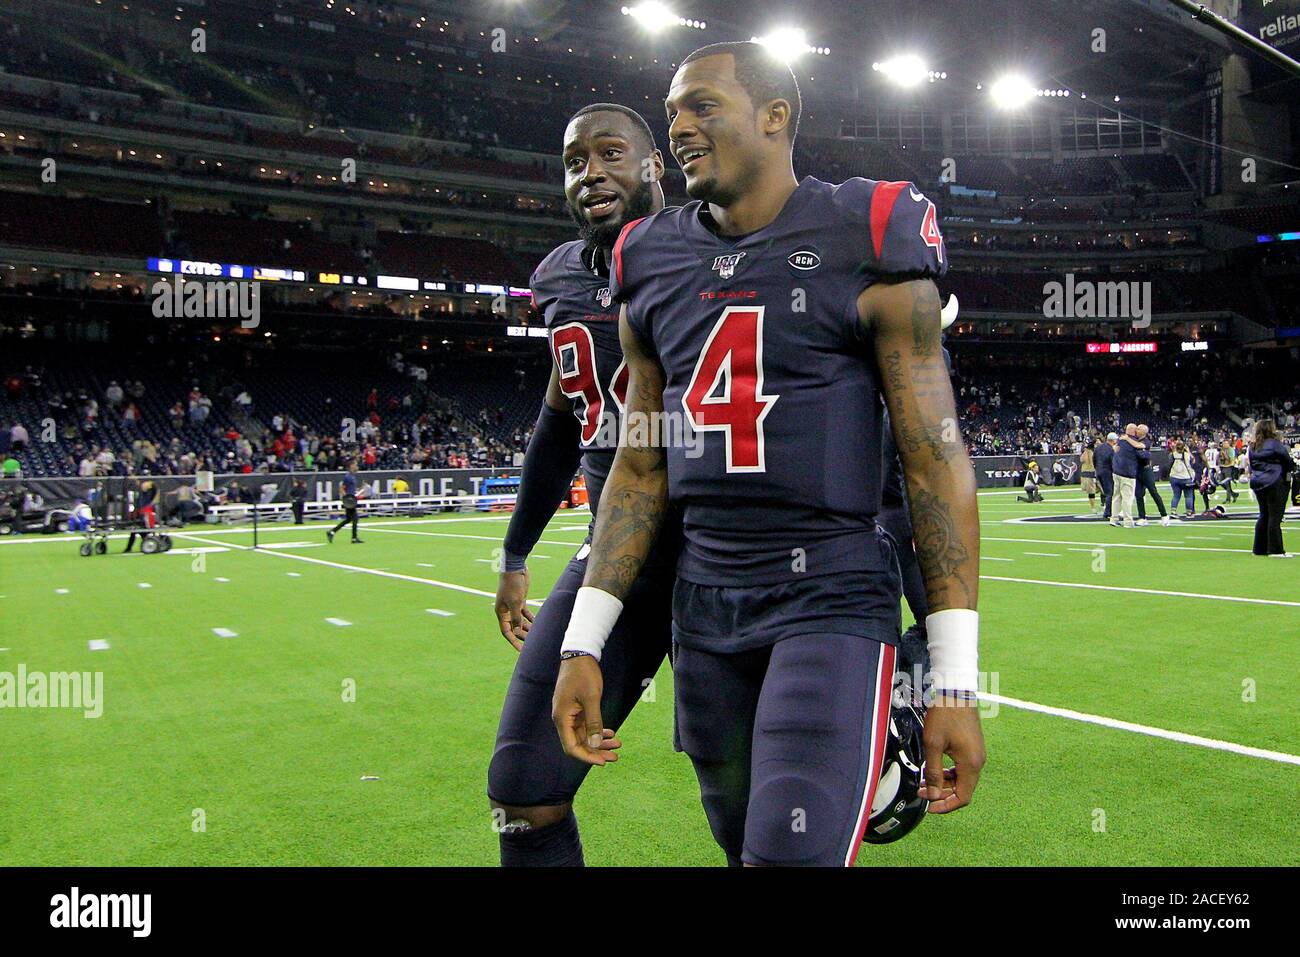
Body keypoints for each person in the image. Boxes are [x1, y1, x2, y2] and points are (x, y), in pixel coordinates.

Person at [552, 42, 984, 867]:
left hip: (829, 591)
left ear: (776, 118)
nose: (676, 125)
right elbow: (640, 469)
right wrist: (584, 643)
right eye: (672, 108)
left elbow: (934, 461)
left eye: (701, 105)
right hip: (705, 604)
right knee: (742, 845)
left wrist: (953, 682)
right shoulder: (648, 255)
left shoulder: (866, 227)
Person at [487, 103, 676, 868]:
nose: (590, 173)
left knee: (756, 807)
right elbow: (561, 422)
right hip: (615, 557)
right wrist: (514, 552)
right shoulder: (559, 276)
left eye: (610, 154)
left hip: (723, 557)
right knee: (524, 787)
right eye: (573, 161)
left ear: (655, 165)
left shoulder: (709, 253)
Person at [1247, 419, 1294, 556]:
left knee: (1263, 515)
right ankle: (1275, 550)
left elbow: (1252, 464)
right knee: (1275, 516)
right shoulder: (1275, 444)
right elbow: (1288, 462)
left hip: (1258, 483)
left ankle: (1259, 549)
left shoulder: (1253, 446)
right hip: (1275, 481)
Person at [1132, 424, 1170, 526]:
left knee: (1153, 492)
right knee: (1138, 494)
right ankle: (1142, 517)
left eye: (1139, 428)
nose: (1136, 429)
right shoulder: (1135, 440)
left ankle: (1164, 515)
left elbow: (1141, 454)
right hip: (1137, 470)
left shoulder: (1146, 441)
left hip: (1145, 470)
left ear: (1143, 432)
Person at [1110, 424, 1141, 527]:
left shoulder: (1121, 440)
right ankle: (1128, 521)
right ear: (1133, 431)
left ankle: (1113, 519)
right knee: (1127, 498)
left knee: (1116, 497)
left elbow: (1115, 448)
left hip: (1117, 471)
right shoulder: (1132, 441)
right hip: (1127, 473)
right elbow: (1140, 447)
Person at [327, 462, 365, 543]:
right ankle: (354, 538)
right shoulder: (347, 477)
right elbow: (341, 489)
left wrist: (358, 491)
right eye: (355, 465)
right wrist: (347, 498)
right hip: (350, 501)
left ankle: (332, 532)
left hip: (352, 500)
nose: (357, 467)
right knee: (355, 519)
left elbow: (350, 489)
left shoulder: (352, 476)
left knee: (348, 519)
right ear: (351, 466)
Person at [1167, 439, 1196, 518]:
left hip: (1174, 477)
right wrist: (1188, 451)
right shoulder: (1187, 455)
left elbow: (1169, 464)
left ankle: (1173, 511)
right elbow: (1192, 462)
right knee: (1188, 496)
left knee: (1176, 495)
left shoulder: (1172, 454)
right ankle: (1189, 512)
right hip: (1185, 477)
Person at [1094, 433, 1116, 520]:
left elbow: (1094, 459)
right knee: (1110, 493)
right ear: (1113, 440)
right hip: (1107, 472)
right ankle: (1107, 512)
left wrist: (1097, 469)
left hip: (1099, 471)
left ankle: (1108, 510)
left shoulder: (1098, 447)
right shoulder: (1111, 449)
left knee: (1106, 492)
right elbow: (1112, 461)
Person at [1079, 441, 1099, 513]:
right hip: (1090, 473)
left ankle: (1103, 504)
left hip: (1096, 472)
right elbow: (1082, 460)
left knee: (1103, 490)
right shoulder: (1088, 452)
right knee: (1091, 491)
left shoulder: (1095, 452)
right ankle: (1093, 507)